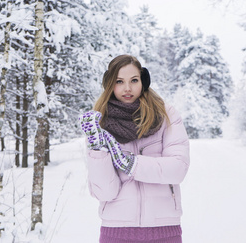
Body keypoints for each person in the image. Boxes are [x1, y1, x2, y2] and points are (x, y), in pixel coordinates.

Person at [79, 54, 190, 243]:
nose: (127, 88)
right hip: (115, 232)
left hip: (164, 230)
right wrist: (97, 148)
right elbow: (105, 193)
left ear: (144, 81)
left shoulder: (165, 115)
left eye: (134, 80)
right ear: (109, 84)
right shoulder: (101, 123)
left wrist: (132, 164)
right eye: (119, 81)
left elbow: (177, 168)